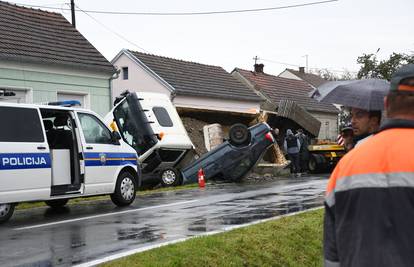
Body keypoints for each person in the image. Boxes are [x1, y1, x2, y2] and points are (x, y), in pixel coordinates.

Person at [323, 64, 414, 267]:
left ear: (387, 104)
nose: (353, 121)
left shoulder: (346, 166)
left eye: (359, 116)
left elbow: (332, 256)